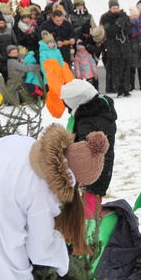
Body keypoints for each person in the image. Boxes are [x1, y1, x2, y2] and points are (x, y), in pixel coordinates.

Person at [0, 123, 109, 280]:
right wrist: (65, 263)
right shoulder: (43, 189)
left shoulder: (22, 142)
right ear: (74, 180)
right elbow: (40, 248)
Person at [60, 79, 117, 218]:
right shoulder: (103, 112)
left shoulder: (87, 121)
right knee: (92, 203)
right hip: (103, 169)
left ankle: (90, 236)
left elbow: (84, 152)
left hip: (91, 174)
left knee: (88, 213)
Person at [99, 0, 132, 96]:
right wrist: (117, 25)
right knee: (114, 69)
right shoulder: (105, 17)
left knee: (125, 69)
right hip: (113, 47)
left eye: (117, 7)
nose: (116, 10)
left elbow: (129, 30)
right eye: (114, 8)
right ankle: (115, 88)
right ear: (110, 8)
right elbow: (107, 31)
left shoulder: (123, 16)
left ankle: (125, 88)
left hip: (123, 46)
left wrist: (124, 23)